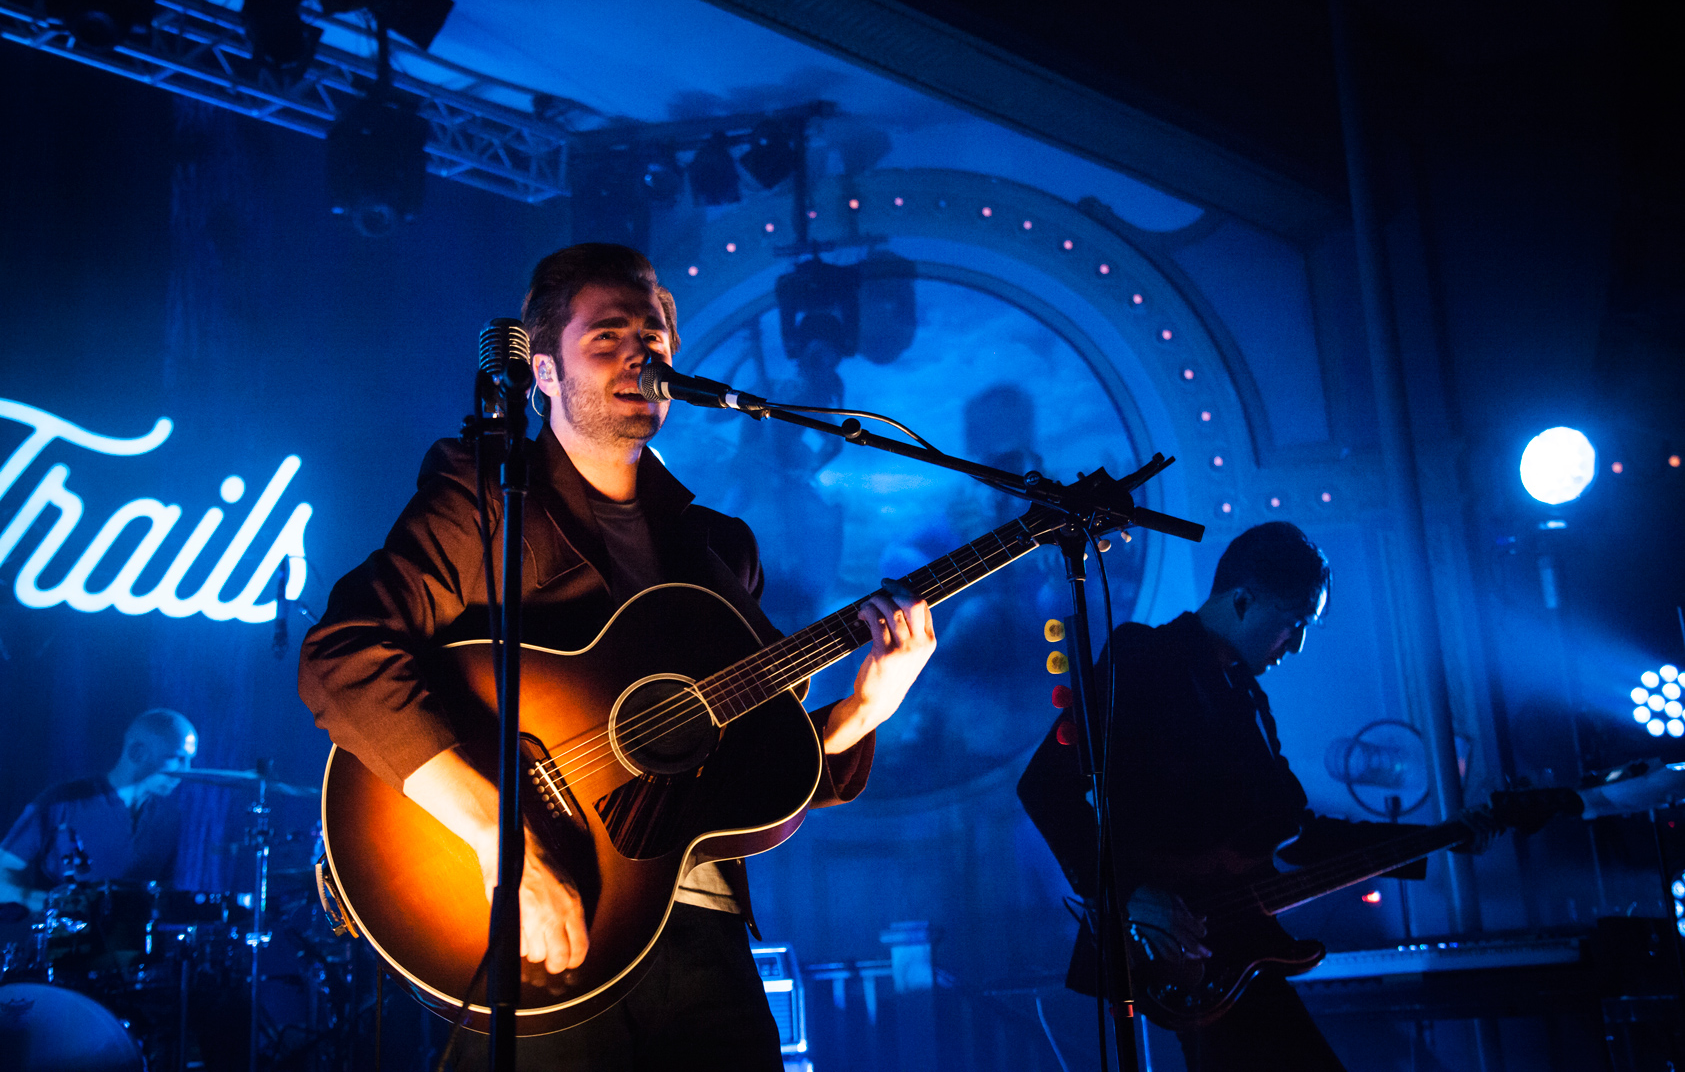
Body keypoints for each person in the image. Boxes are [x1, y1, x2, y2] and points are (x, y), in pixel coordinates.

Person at [297, 243, 936, 1070]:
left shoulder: (717, 550)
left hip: (699, 928)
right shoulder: (483, 497)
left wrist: (861, 710)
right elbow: (342, 655)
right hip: (544, 916)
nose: (641, 354)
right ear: (545, 374)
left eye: (655, 337)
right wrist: (508, 845)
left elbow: (747, 773)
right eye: (607, 336)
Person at [1017, 522, 1497, 1071]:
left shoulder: (1247, 696)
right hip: (1168, 950)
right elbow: (1044, 785)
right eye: (1292, 623)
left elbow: (1297, 833)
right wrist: (1128, 891)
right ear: (1242, 601)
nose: (1295, 645)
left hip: (1235, 947)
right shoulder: (1146, 656)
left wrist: (1444, 837)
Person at [0, 708, 197, 912]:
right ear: (137, 752)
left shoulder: (170, 819)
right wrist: (51, 904)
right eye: (177, 758)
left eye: (190, 760)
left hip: (134, 942)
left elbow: (163, 894)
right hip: (64, 938)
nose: (186, 771)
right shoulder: (61, 802)